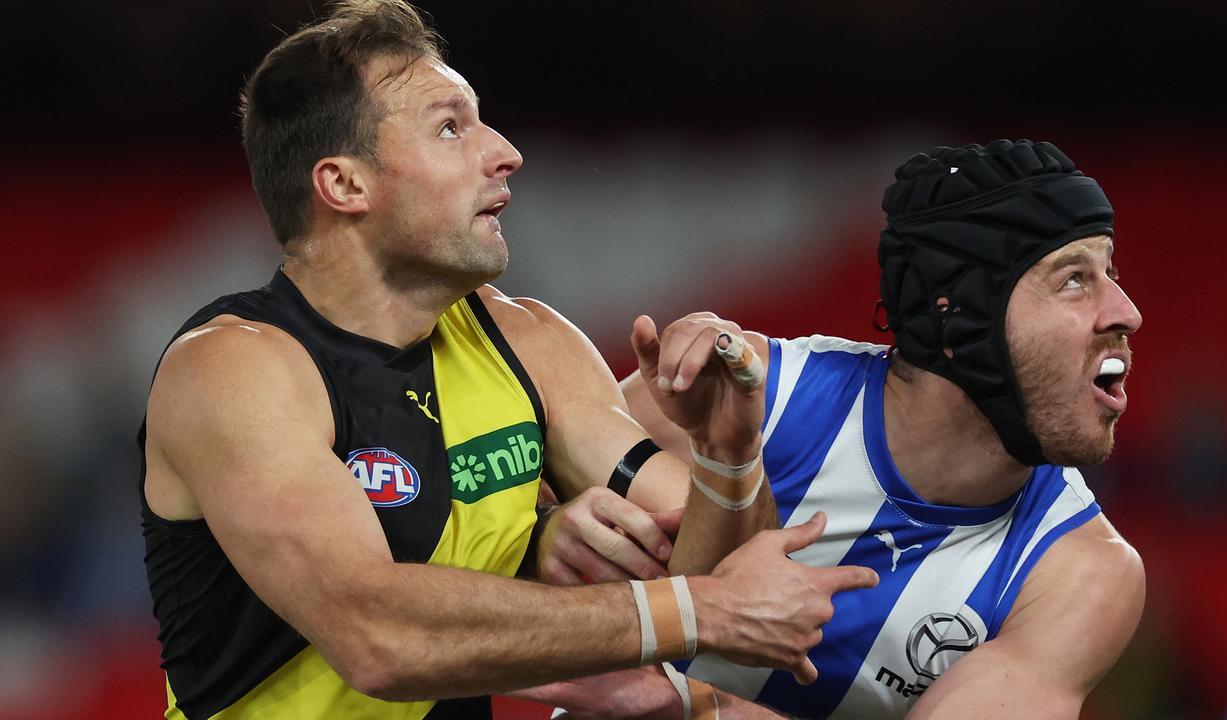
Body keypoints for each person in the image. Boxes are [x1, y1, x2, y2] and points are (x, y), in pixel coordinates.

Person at [137, 2, 879, 718]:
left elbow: (718, 581)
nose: (505, 153)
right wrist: (678, 607)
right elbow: (377, 637)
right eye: (452, 128)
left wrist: (728, 453)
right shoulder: (234, 370)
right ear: (344, 184)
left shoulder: (529, 343)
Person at [590, 139, 1147, 719]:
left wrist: (697, 705)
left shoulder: (1078, 571)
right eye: (1074, 280)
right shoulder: (748, 396)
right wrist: (556, 529)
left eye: (1109, 273)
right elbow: (504, 543)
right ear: (960, 314)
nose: (1127, 311)